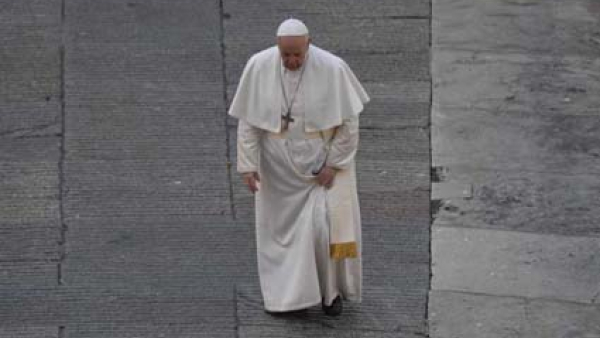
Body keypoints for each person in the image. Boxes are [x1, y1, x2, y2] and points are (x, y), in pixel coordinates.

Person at [228, 18, 370, 316]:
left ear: (308, 44)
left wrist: (333, 164)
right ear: (278, 47)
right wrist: (247, 165)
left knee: (323, 229)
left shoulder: (332, 68)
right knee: (281, 237)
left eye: (297, 55)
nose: (291, 61)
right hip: (277, 170)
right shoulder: (259, 65)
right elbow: (250, 123)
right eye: (285, 55)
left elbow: (349, 123)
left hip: (320, 166)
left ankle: (330, 294)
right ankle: (289, 299)